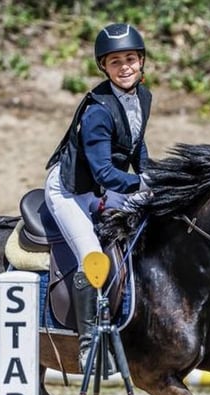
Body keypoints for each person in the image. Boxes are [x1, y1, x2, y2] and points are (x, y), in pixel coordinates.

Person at [44, 23, 153, 371]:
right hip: (70, 191)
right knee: (93, 257)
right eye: (115, 61)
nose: (125, 67)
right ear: (103, 67)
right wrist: (144, 185)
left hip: (100, 187)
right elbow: (105, 172)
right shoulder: (97, 111)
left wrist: (155, 178)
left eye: (131, 59)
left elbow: (137, 147)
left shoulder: (143, 97)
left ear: (142, 62)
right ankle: (89, 343)